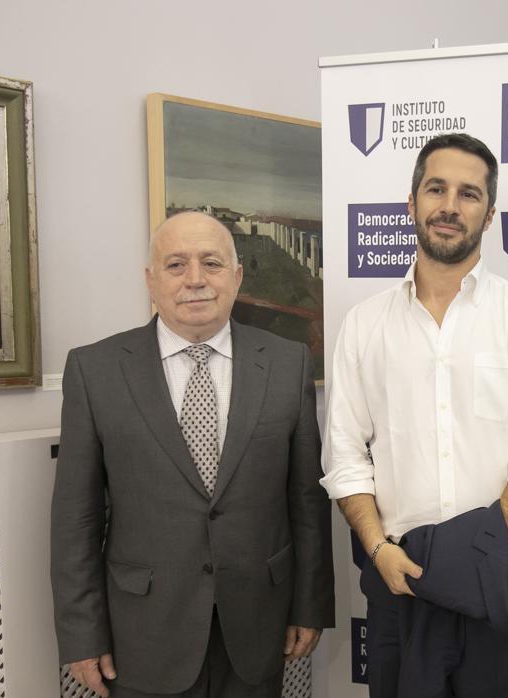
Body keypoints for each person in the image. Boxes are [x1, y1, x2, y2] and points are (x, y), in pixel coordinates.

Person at [321, 133, 508, 698]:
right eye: (436, 188)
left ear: (489, 215)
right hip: (397, 577)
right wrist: (379, 549)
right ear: (411, 202)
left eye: (469, 194)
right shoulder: (365, 325)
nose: (450, 206)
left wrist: (475, 553)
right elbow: (344, 454)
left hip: (503, 573)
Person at [50, 212, 334, 698]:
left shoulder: (287, 365)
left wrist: (309, 606)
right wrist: (81, 633)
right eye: (176, 264)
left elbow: (306, 501)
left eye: (212, 263)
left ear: (237, 276)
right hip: (143, 633)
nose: (196, 280)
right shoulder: (94, 370)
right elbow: (76, 518)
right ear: (150, 281)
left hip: (256, 626)